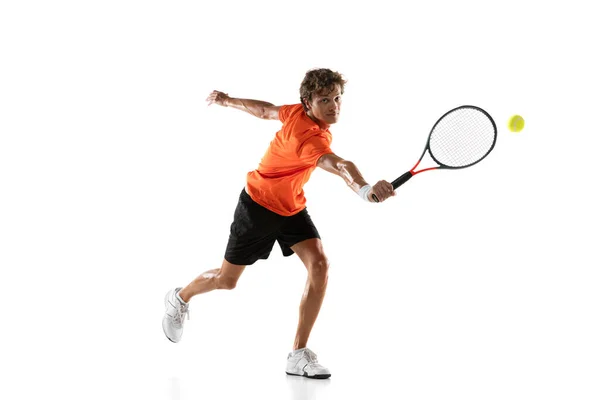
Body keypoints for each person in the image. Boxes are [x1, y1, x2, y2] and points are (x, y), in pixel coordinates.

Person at [162, 68, 395, 379]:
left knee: (320, 265)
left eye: (338, 98)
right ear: (308, 102)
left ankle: (298, 354)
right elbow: (339, 165)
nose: (333, 106)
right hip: (257, 207)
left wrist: (228, 100)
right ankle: (180, 297)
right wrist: (365, 190)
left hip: (291, 206)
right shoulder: (307, 139)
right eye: (325, 99)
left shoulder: (296, 113)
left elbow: (264, 110)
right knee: (226, 280)